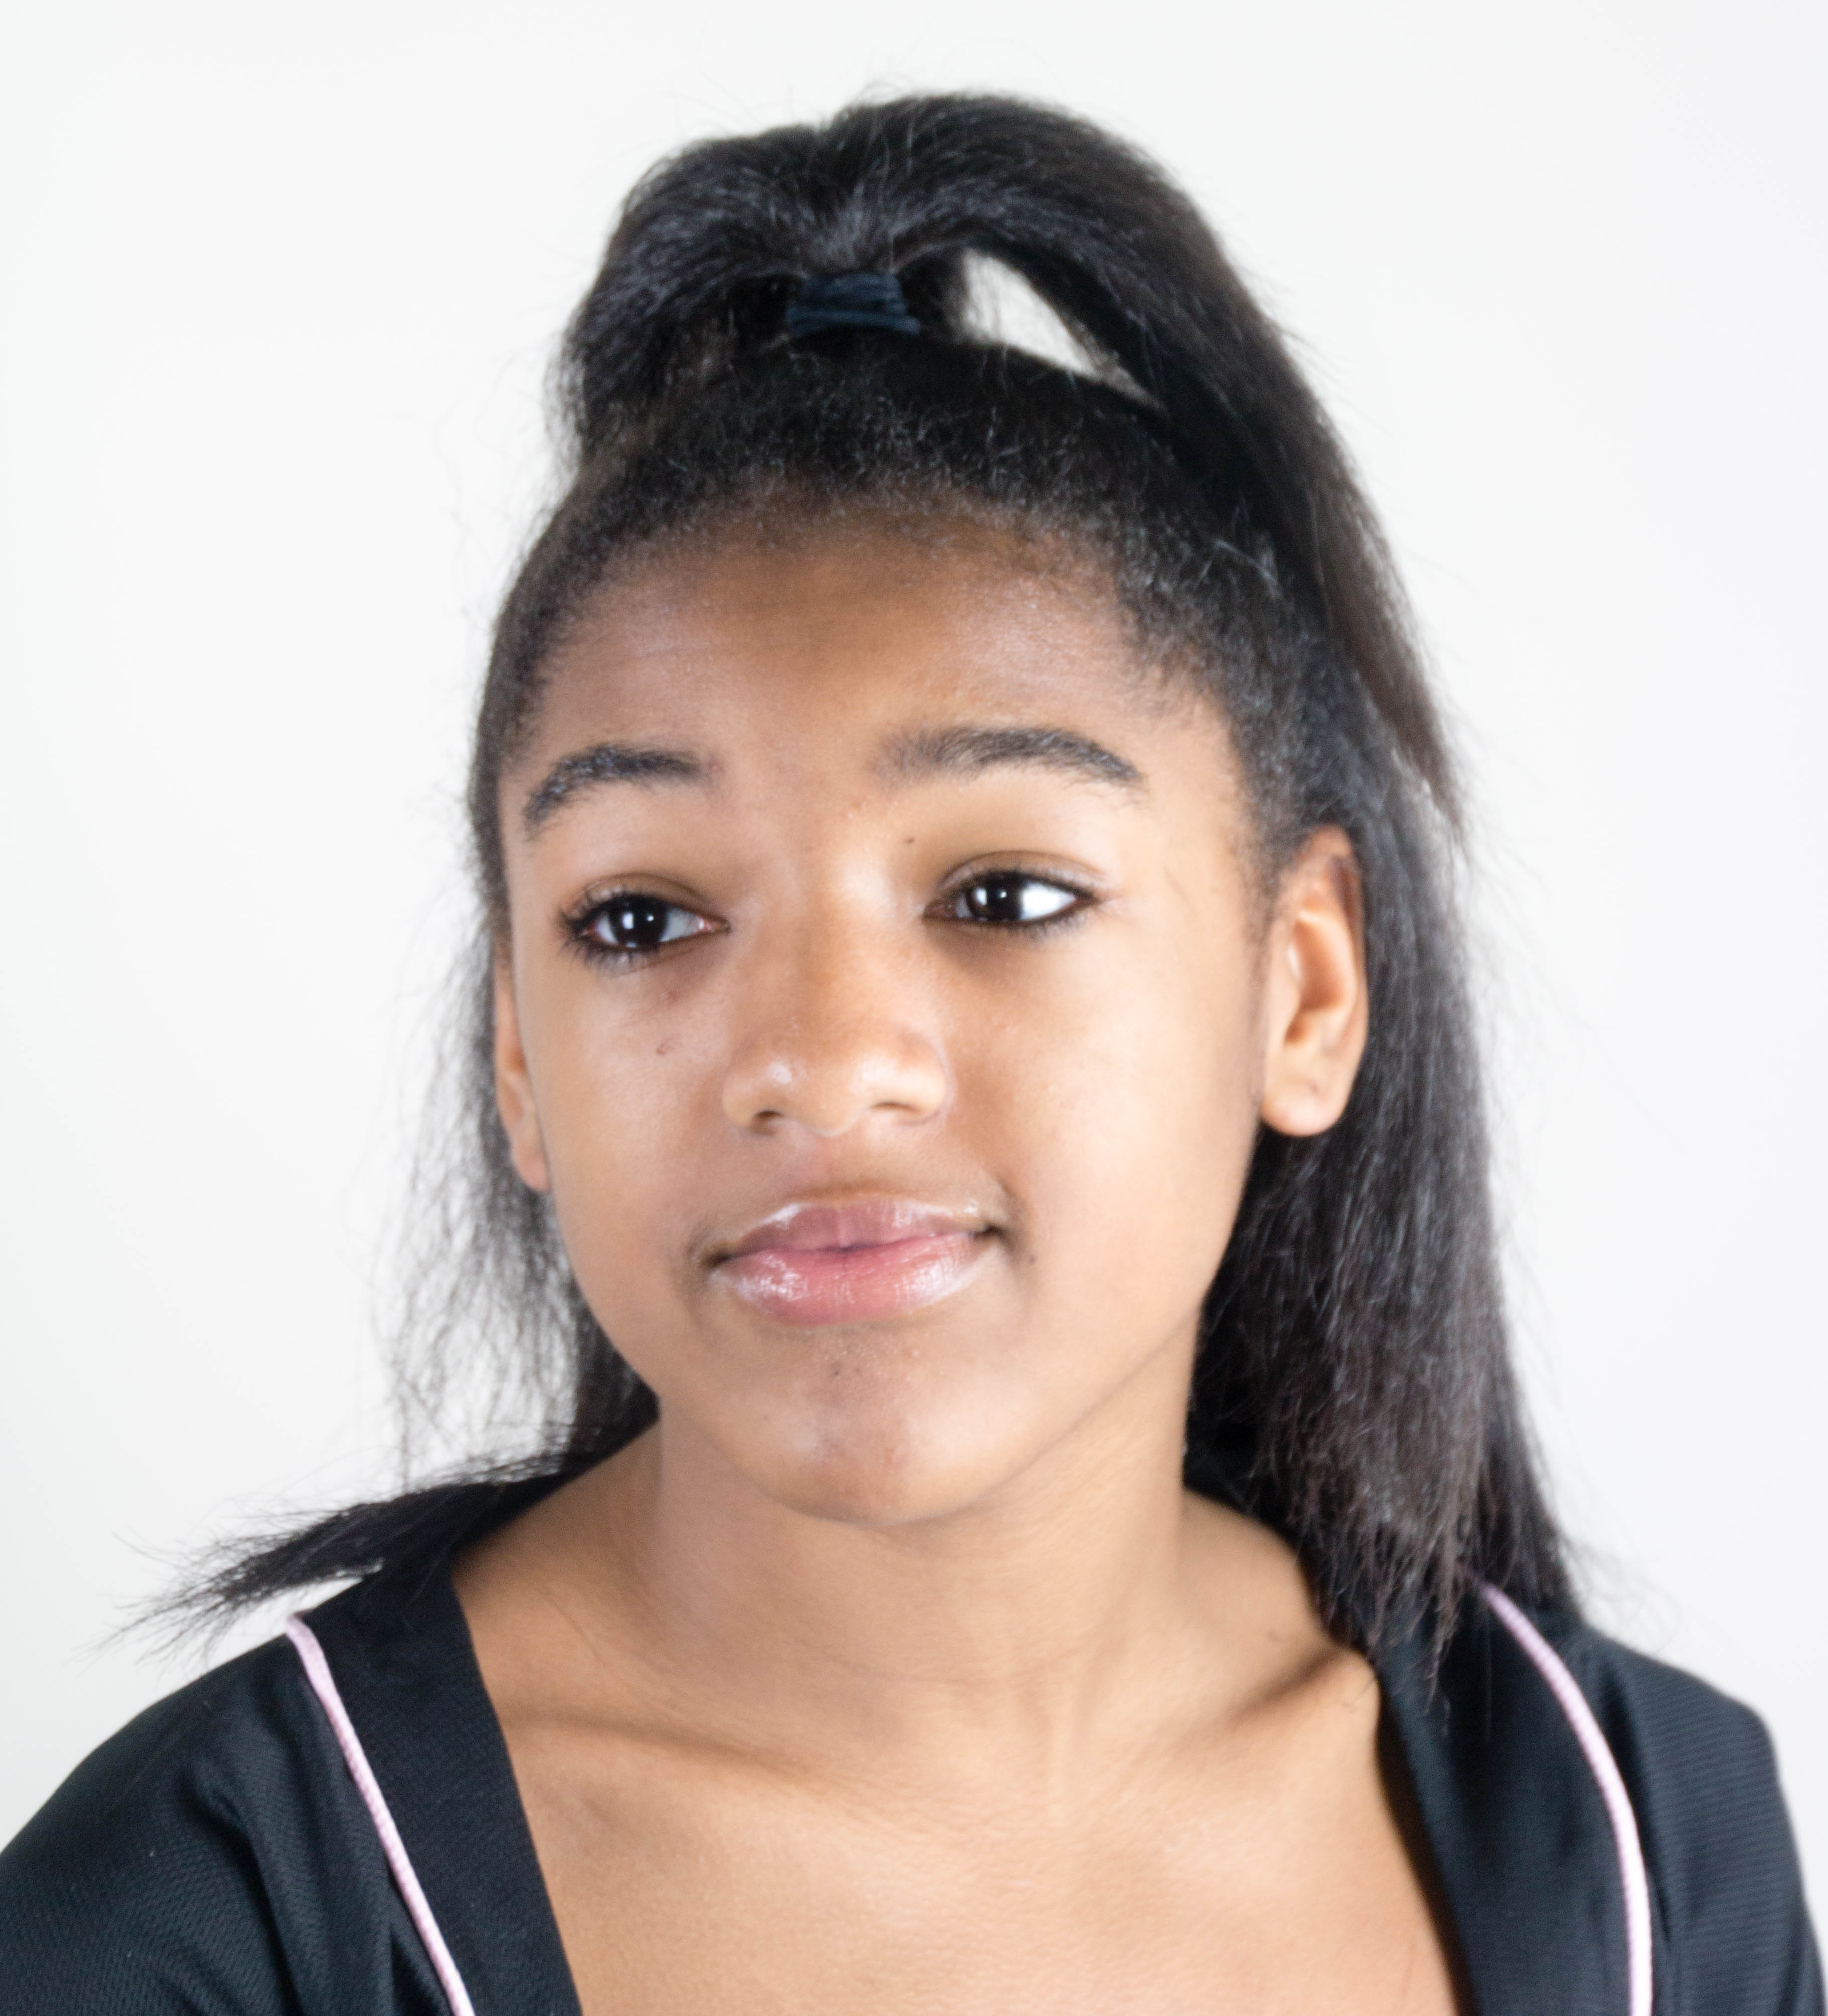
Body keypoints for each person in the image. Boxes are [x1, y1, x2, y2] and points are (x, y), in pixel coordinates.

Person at [0, 94, 1816, 2016]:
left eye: (1005, 894)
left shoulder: (1648, 1845)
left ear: (1302, 991)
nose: (821, 1064)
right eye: (642, 919)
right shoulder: (197, 1931)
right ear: (517, 1058)